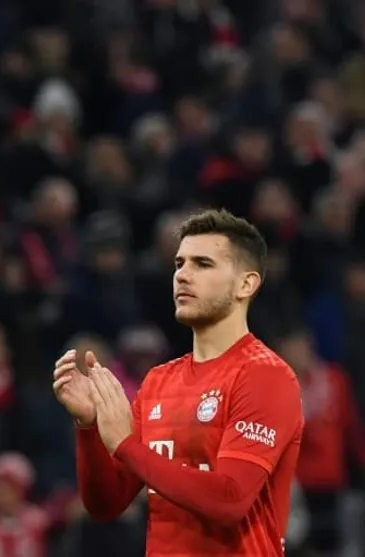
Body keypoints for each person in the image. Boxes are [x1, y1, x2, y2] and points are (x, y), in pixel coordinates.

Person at [52, 208, 304, 556]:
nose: (183, 275)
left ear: (245, 284)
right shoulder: (159, 381)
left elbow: (230, 499)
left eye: (203, 264)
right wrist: (89, 428)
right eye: (179, 264)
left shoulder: (265, 375)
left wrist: (126, 445)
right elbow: (105, 504)